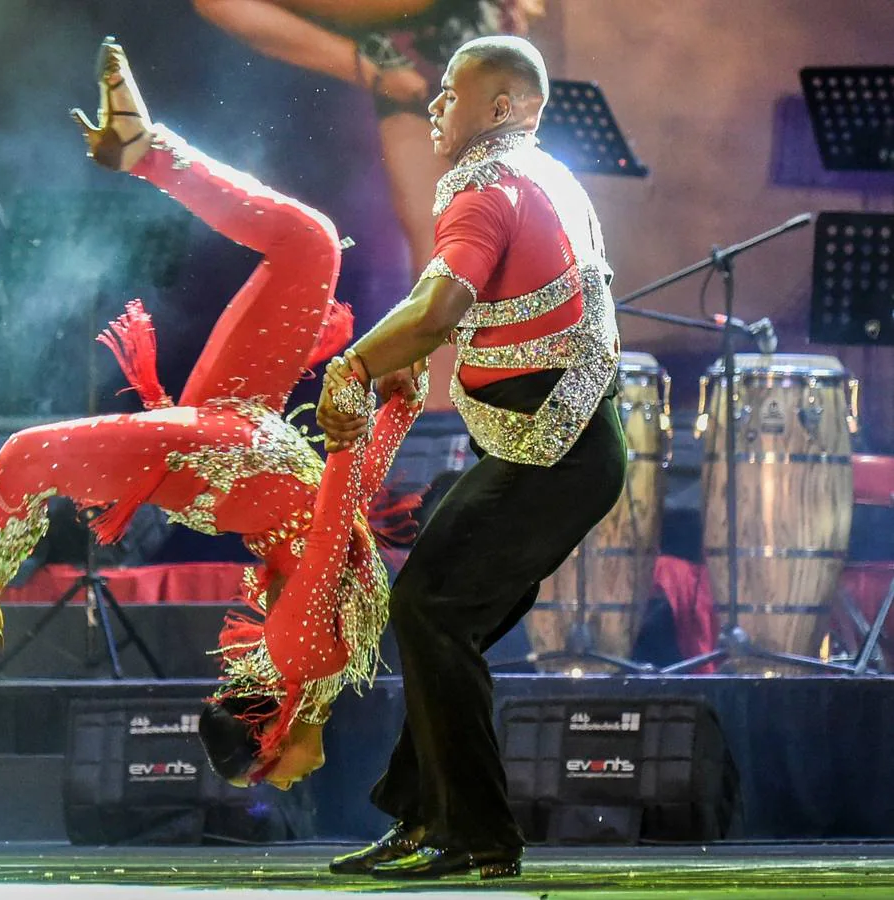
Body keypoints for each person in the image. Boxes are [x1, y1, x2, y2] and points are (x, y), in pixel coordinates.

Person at [0, 37, 427, 792]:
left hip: (226, 463)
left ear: (274, 734)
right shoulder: (321, 672)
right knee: (309, 246)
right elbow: (342, 523)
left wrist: (359, 420)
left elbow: (329, 532)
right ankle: (143, 148)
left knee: (25, 459)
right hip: (250, 431)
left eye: (266, 775)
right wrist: (396, 410)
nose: (282, 781)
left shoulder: (305, 657)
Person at [316, 36, 627, 879]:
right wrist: (409, 342)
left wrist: (352, 365)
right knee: (437, 621)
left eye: (450, 92)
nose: (433, 106)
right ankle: (426, 819)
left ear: (500, 107)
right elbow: (463, 304)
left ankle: (478, 834)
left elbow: (437, 304)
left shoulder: (484, 183)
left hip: (552, 452)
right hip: (563, 448)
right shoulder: (545, 172)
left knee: (430, 611)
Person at [191, 0, 547, 405]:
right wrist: (367, 69)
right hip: (383, 81)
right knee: (447, 259)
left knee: (478, 256)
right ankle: (440, 426)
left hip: (451, 58)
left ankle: (458, 424)